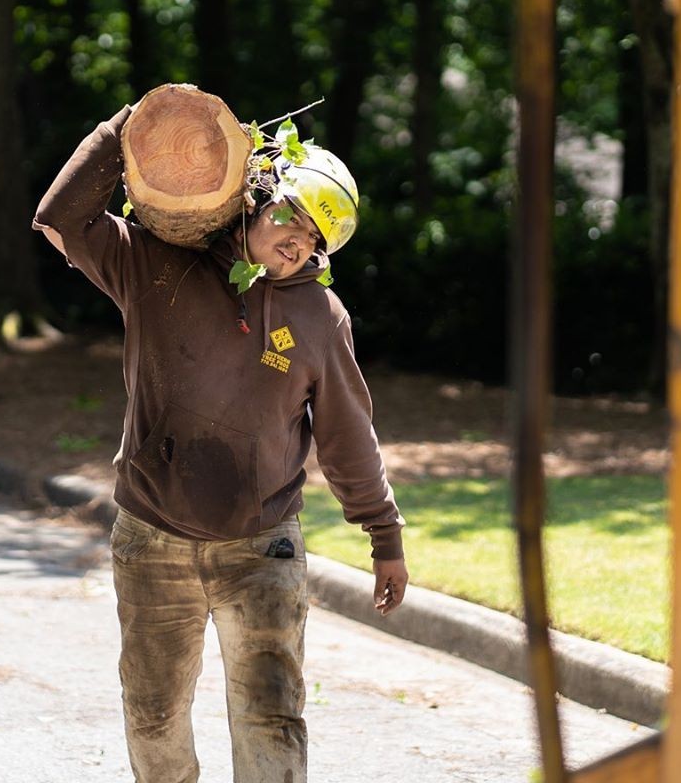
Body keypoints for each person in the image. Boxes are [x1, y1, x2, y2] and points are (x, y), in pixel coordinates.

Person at [32, 103, 407, 783]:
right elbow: (60, 220)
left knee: (272, 717)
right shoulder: (152, 267)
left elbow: (349, 436)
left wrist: (384, 535)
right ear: (262, 196)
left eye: (320, 241)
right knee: (154, 717)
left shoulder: (321, 319)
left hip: (262, 547)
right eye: (295, 216)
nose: (301, 242)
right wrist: (122, 133)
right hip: (151, 540)